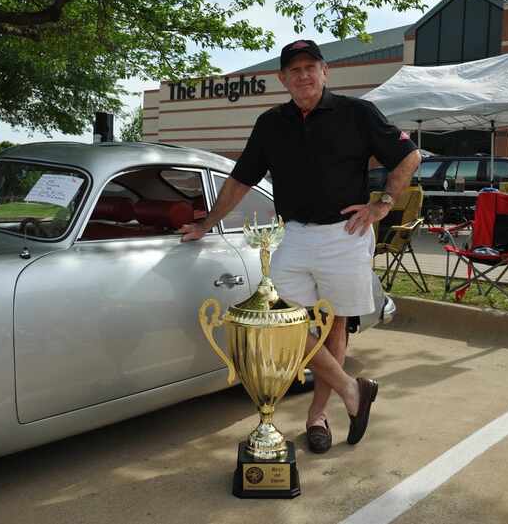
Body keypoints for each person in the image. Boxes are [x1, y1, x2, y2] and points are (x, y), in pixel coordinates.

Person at [180, 39, 421, 453]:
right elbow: (240, 180)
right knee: (281, 321)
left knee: (336, 324)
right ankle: (352, 389)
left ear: (325, 72)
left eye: (311, 67)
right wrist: (207, 223)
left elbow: (408, 155)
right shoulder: (271, 123)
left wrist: (382, 204)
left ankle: (318, 416)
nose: (304, 75)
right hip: (293, 234)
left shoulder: (357, 113)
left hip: (346, 233)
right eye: (295, 70)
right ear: (282, 79)